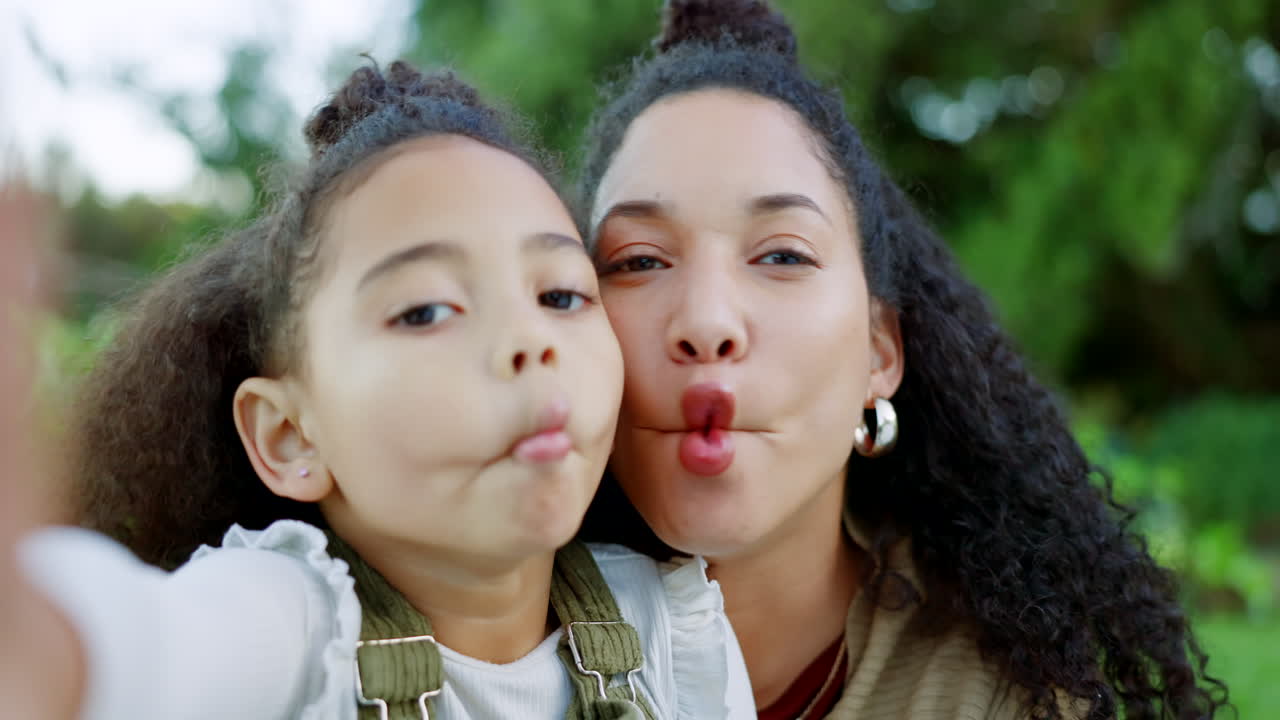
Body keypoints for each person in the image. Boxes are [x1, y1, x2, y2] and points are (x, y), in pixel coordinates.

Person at [13, 60, 753, 719]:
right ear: (290, 435)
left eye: (560, 295)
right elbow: (122, 653)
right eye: (426, 310)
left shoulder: (669, 624)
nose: (532, 340)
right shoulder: (288, 633)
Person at [575, 2, 1226, 718]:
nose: (706, 323)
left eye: (783, 254)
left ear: (880, 354)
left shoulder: (1009, 693)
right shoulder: (472, 654)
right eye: (638, 260)